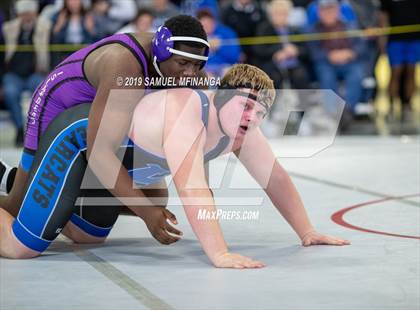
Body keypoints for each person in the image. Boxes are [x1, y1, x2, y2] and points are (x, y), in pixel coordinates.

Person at [0, 64, 350, 267]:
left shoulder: (241, 130)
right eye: (247, 107)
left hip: (111, 168)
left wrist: (306, 231)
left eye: (260, 113)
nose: (253, 118)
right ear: (222, 97)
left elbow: (275, 179)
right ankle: (30, 195)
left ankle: (17, 183)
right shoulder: (189, 112)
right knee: (21, 247)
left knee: (85, 237)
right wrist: (220, 252)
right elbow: (193, 187)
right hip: (80, 141)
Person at [0, 15, 210, 247]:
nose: (190, 73)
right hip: (56, 105)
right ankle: (26, 186)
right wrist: (147, 215)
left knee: (155, 198)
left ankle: (27, 182)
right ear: (161, 51)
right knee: (16, 205)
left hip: (94, 113)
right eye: (183, 64)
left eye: (197, 65)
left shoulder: (187, 69)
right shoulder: (126, 69)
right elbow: (100, 154)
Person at [2, 0, 51, 146]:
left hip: (35, 73)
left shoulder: (45, 28)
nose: (27, 17)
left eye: (29, 13)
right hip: (13, 74)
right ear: (19, 14)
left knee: (42, 93)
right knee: (10, 93)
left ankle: (36, 131)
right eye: (23, 14)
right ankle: (18, 129)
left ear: (35, 13)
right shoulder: (8, 29)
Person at [379, 0, 420, 121]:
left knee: (411, 71)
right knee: (395, 72)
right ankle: (391, 106)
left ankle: (407, 105)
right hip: (395, 40)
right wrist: (383, 39)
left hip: (415, 38)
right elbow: (383, 17)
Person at [197, 8, 241, 77]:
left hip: (224, 66)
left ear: (214, 22)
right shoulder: (195, 36)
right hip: (204, 68)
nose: (207, 27)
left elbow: (235, 56)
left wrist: (220, 47)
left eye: (209, 23)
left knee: (230, 74)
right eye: (204, 25)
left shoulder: (226, 33)